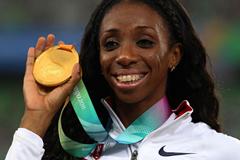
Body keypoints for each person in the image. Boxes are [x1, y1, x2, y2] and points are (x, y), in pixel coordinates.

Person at [5, 0, 240, 159]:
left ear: (173, 56)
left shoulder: (223, 152)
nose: (125, 56)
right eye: (111, 44)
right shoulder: (75, 151)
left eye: (145, 42)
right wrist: (34, 120)